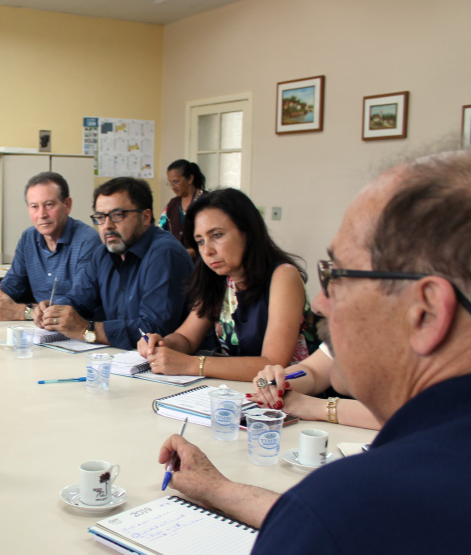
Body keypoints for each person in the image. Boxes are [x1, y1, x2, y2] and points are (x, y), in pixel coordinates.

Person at [157, 150, 471, 552]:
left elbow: (325, 519)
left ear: (425, 312)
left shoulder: (354, 497)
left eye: (338, 275)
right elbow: (325, 520)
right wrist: (217, 488)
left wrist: (317, 409)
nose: (320, 302)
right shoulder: (344, 510)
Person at [139, 188, 317, 381]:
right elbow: (187, 338)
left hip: (293, 396)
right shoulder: (219, 279)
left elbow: (273, 363)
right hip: (240, 393)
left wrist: (192, 364)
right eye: (200, 241)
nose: (207, 251)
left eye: (217, 235)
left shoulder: (283, 276)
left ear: (247, 232)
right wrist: (161, 345)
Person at [34, 177, 193, 350]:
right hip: (119, 360)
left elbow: (155, 329)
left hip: (171, 366)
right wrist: (54, 311)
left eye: (117, 215)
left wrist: (87, 329)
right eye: (100, 217)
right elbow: (79, 301)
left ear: (145, 217)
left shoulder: (164, 253)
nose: (107, 225)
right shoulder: (103, 253)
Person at [0, 171, 99, 321]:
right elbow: (12, 284)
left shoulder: (88, 242)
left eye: (49, 205)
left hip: (80, 332)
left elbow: (78, 302)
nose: (42, 214)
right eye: (34, 207)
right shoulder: (29, 238)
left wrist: (23, 311)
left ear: (67, 205)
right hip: (40, 329)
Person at [249, 330, 381, 430]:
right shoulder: (357, 324)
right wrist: (279, 380)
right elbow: (314, 371)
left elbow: (400, 417)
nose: (317, 304)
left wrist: (319, 407)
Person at [158, 159, 206, 258]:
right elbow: (160, 231)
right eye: (170, 183)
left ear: (190, 179)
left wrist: (194, 251)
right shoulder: (172, 204)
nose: (173, 186)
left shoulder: (207, 201)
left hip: (202, 262)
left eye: (176, 182)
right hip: (177, 260)